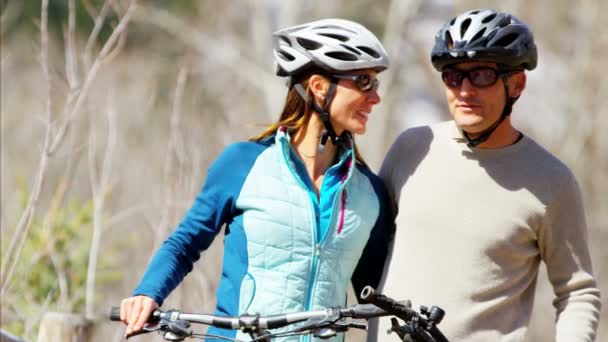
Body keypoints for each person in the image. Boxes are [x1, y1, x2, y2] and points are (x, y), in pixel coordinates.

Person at [120, 18, 394, 341]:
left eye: (376, 83)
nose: (375, 97)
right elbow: (185, 243)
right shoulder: (243, 164)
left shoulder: (369, 194)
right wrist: (147, 292)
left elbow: (376, 295)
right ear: (320, 87)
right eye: (363, 81)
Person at [372, 8, 601, 342]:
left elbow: (577, 292)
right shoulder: (411, 148)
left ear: (517, 84)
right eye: (453, 75)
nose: (465, 90)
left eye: (482, 75)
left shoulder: (552, 181)